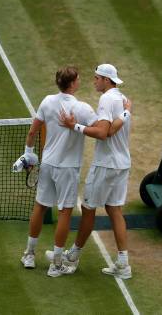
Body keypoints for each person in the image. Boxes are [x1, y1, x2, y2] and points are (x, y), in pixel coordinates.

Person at [48, 64, 133, 279]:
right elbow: (113, 129)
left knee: (87, 209)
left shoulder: (106, 100)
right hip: (122, 164)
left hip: (105, 164)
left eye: (96, 78)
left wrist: (74, 126)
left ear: (106, 80)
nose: (93, 81)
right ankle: (124, 265)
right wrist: (125, 114)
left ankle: (73, 257)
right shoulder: (122, 100)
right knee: (115, 210)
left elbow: (103, 133)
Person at [19, 66, 98, 277]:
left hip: (48, 164)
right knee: (65, 212)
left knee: (40, 206)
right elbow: (101, 130)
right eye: (78, 79)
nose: (80, 81)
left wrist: (28, 154)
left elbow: (32, 131)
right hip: (67, 168)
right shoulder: (83, 109)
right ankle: (55, 265)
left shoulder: (47, 101)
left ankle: (29, 255)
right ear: (72, 84)